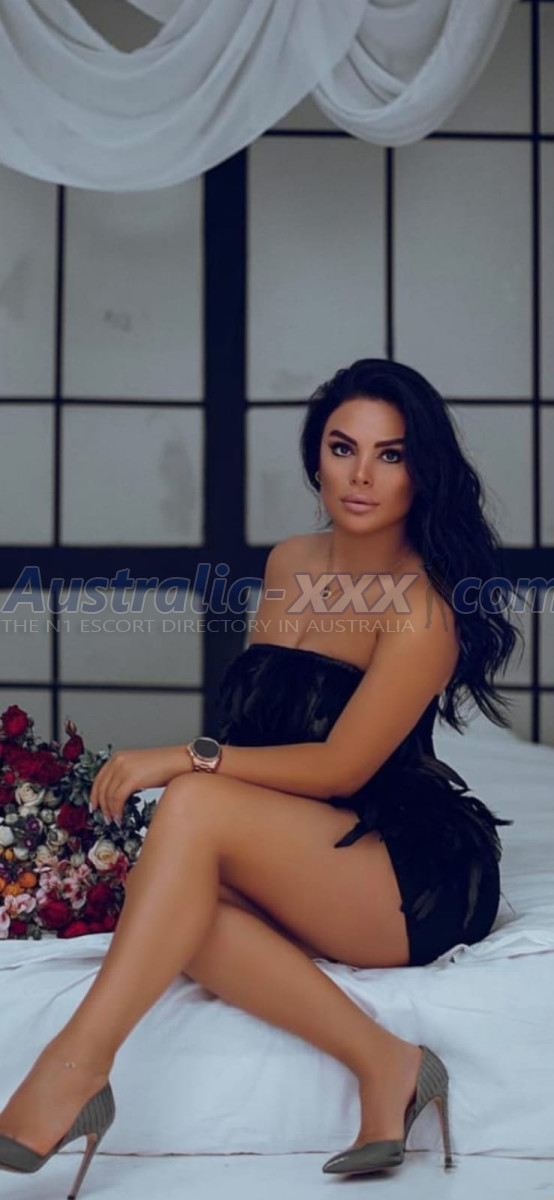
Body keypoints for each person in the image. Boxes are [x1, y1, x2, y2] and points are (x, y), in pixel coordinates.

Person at [0, 357, 522, 1190]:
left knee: (192, 807)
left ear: (421, 473)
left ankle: (76, 1065)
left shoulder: (423, 607)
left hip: (408, 865)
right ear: (316, 457)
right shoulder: (289, 564)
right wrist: (203, 781)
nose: (361, 475)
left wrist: (186, 756)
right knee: (179, 899)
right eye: (343, 448)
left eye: (390, 455)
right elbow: (259, 730)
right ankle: (386, 1061)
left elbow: (342, 765)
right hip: (308, 842)